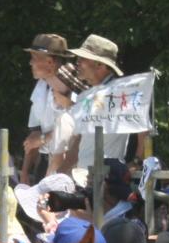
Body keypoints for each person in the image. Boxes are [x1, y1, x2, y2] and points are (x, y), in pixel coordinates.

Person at [61, 35, 146, 172]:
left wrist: (137, 162)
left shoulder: (121, 93)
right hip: (84, 178)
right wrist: (59, 175)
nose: (77, 62)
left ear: (100, 65)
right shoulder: (86, 97)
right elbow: (78, 143)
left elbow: (144, 129)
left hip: (108, 180)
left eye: (83, 58)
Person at [21, 34, 74, 184]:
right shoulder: (41, 87)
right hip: (45, 164)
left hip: (68, 166)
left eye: (34, 58)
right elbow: (34, 134)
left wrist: (43, 139)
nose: (30, 63)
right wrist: (25, 173)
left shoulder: (75, 88)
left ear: (50, 62)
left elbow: (77, 128)